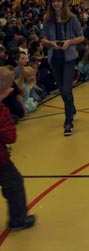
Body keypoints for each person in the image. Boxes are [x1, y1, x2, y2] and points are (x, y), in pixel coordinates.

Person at [41, 0, 84, 136]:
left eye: (59, 1)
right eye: (54, 1)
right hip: (55, 57)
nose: (56, 4)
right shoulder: (47, 20)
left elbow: (81, 37)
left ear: (64, 2)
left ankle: (68, 121)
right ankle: (71, 108)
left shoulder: (72, 19)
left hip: (69, 57)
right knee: (62, 89)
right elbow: (43, 39)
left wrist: (69, 42)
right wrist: (50, 43)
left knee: (66, 89)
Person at [0, 66, 36, 230]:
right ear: (7, 91)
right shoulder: (2, 111)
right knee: (14, 183)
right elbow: (10, 137)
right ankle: (17, 218)